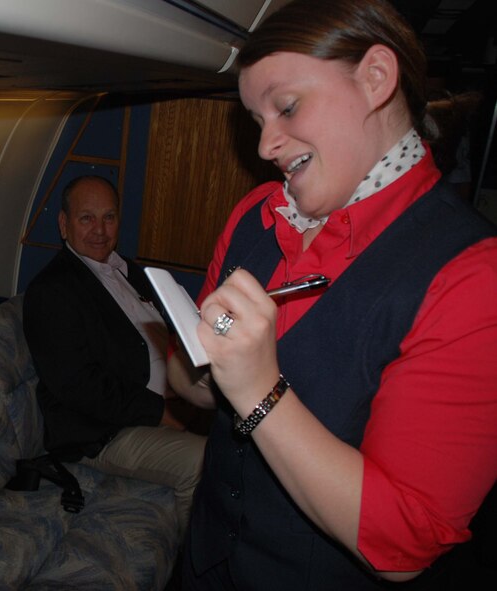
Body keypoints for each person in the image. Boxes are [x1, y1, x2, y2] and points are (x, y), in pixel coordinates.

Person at [166, 0, 497, 589]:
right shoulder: (254, 215)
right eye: (255, 119)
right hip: (203, 560)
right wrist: (201, 358)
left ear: (375, 78)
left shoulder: (472, 276)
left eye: (286, 107)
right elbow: (189, 383)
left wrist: (258, 389)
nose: (268, 143)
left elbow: (404, 546)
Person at [23, 174, 206, 528]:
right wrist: (163, 412)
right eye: (86, 218)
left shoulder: (127, 271)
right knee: (202, 463)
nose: (100, 230)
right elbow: (78, 385)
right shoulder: (52, 292)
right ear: (64, 224)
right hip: (102, 433)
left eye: (109, 217)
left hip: (166, 400)